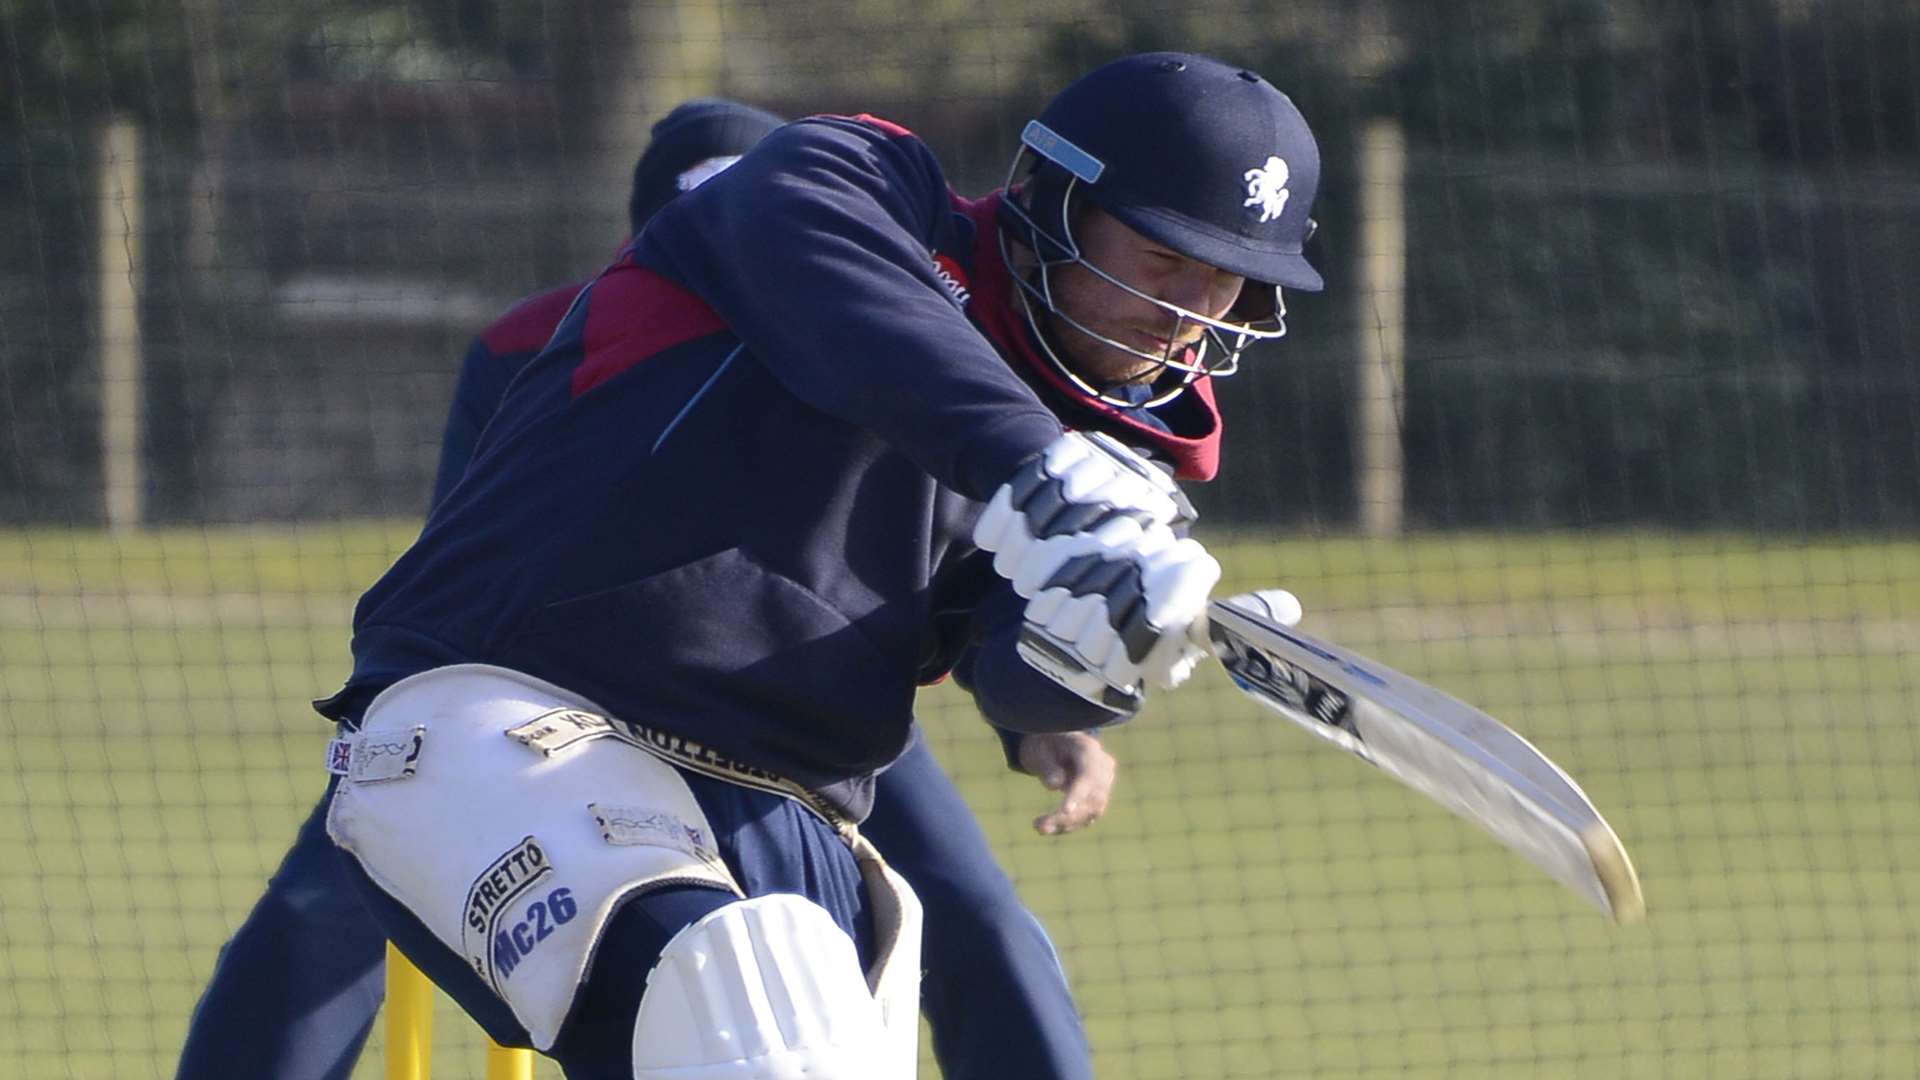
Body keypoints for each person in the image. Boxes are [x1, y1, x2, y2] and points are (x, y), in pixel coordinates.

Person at [317, 52, 1322, 1080]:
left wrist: (1090, 665)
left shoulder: (1114, 455)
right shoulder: (852, 185)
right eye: (1165, 259)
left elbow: (1004, 660)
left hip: (794, 817)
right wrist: (1044, 473)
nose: (1195, 307)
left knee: (773, 1013)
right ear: (1051, 198)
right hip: (516, 723)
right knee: (744, 1012)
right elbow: (853, 303)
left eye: (1231, 278)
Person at [177, 99, 1111, 1080]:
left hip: (820, 714)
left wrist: (1032, 709)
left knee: (980, 918)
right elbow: (479, 537)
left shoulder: (902, 333)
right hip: (542, 698)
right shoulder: (535, 338)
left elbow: (959, 555)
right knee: (318, 904)